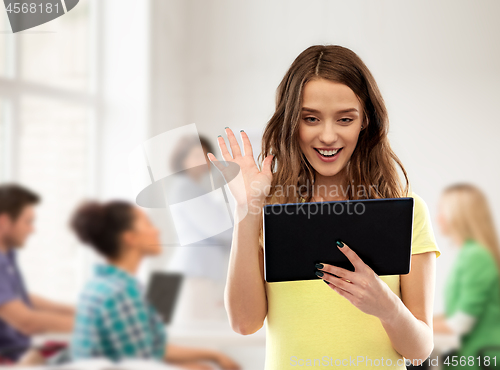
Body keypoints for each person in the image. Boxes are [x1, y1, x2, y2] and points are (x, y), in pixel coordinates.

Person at [207, 44, 441, 369]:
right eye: (311, 119)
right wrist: (248, 210)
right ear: (291, 122)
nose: (328, 135)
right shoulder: (270, 209)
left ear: (365, 121)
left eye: (345, 118)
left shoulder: (408, 211)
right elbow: (245, 323)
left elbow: (419, 350)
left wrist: (386, 306)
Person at [69, 200, 240, 370]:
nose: (157, 230)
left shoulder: (100, 285)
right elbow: (141, 363)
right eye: (147, 224)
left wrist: (212, 356)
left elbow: (151, 349)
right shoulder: (122, 293)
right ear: (131, 238)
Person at [0, 183, 74, 364]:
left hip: (22, 352)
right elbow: (27, 322)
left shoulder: (7, 256)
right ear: (4, 222)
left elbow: (19, 298)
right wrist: (94, 325)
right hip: (10, 359)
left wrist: (82, 311)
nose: (32, 229)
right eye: (28, 222)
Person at [433, 183, 500, 370]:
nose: (437, 218)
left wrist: (410, 325)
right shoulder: (468, 253)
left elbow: (459, 324)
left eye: (441, 211)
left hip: (480, 359)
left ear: (458, 216)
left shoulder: (476, 256)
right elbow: (454, 315)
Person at [166, 134, 232, 322]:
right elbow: (219, 227)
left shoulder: (192, 188)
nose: (202, 161)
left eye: (205, 155)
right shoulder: (185, 188)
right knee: (198, 341)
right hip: (193, 276)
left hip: (195, 273)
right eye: (196, 155)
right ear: (182, 158)